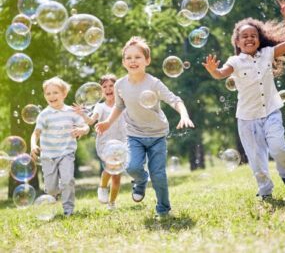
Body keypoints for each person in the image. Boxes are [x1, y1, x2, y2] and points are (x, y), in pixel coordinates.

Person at [202, 0, 285, 200]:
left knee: (279, 147)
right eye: (244, 36)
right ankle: (265, 191)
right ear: (237, 42)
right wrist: (213, 70)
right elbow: (221, 73)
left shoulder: (267, 53)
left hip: (271, 111)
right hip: (247, 118)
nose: (249, 38)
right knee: (256, 160)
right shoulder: (235, 61)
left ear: (259, 38)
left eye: (253, 35)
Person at [95, 36, 194, 218]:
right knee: (132, 167)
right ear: (124, 62)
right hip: (134, 135)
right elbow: (119, 106)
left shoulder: (153, 83)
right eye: (129, 57)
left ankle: (163, 209)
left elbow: (174, 99)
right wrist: (108, 122)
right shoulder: (119, 85)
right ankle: (141, 180)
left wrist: (184, 114)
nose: (133, 61)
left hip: (157, 135)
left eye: (138, 57)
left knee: (159, 176)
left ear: (147, 60)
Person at [31, 77, 89, 216]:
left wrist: (82, 130)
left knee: (68, 180)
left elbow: (85, 126)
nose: (51, 96)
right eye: (48, 93)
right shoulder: (44, 115)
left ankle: (68, 210)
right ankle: (54, 195)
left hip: (66, 153)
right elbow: (36, 133)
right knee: (51, 189)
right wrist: (33, 144)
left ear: (64, 94)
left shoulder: (71, 112)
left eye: (55, 92)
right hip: (48, 156)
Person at [73, 74, 126, 210]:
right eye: (104, 87)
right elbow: (91, 121)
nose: (108, 89)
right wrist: (82, 114)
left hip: (122, 142)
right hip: (104, 143)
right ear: (101, 91)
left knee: (117, 177)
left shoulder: (123, 105)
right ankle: (102, 187)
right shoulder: (100, 107)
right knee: (110, 166)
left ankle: (112, 203)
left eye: (111, 86)